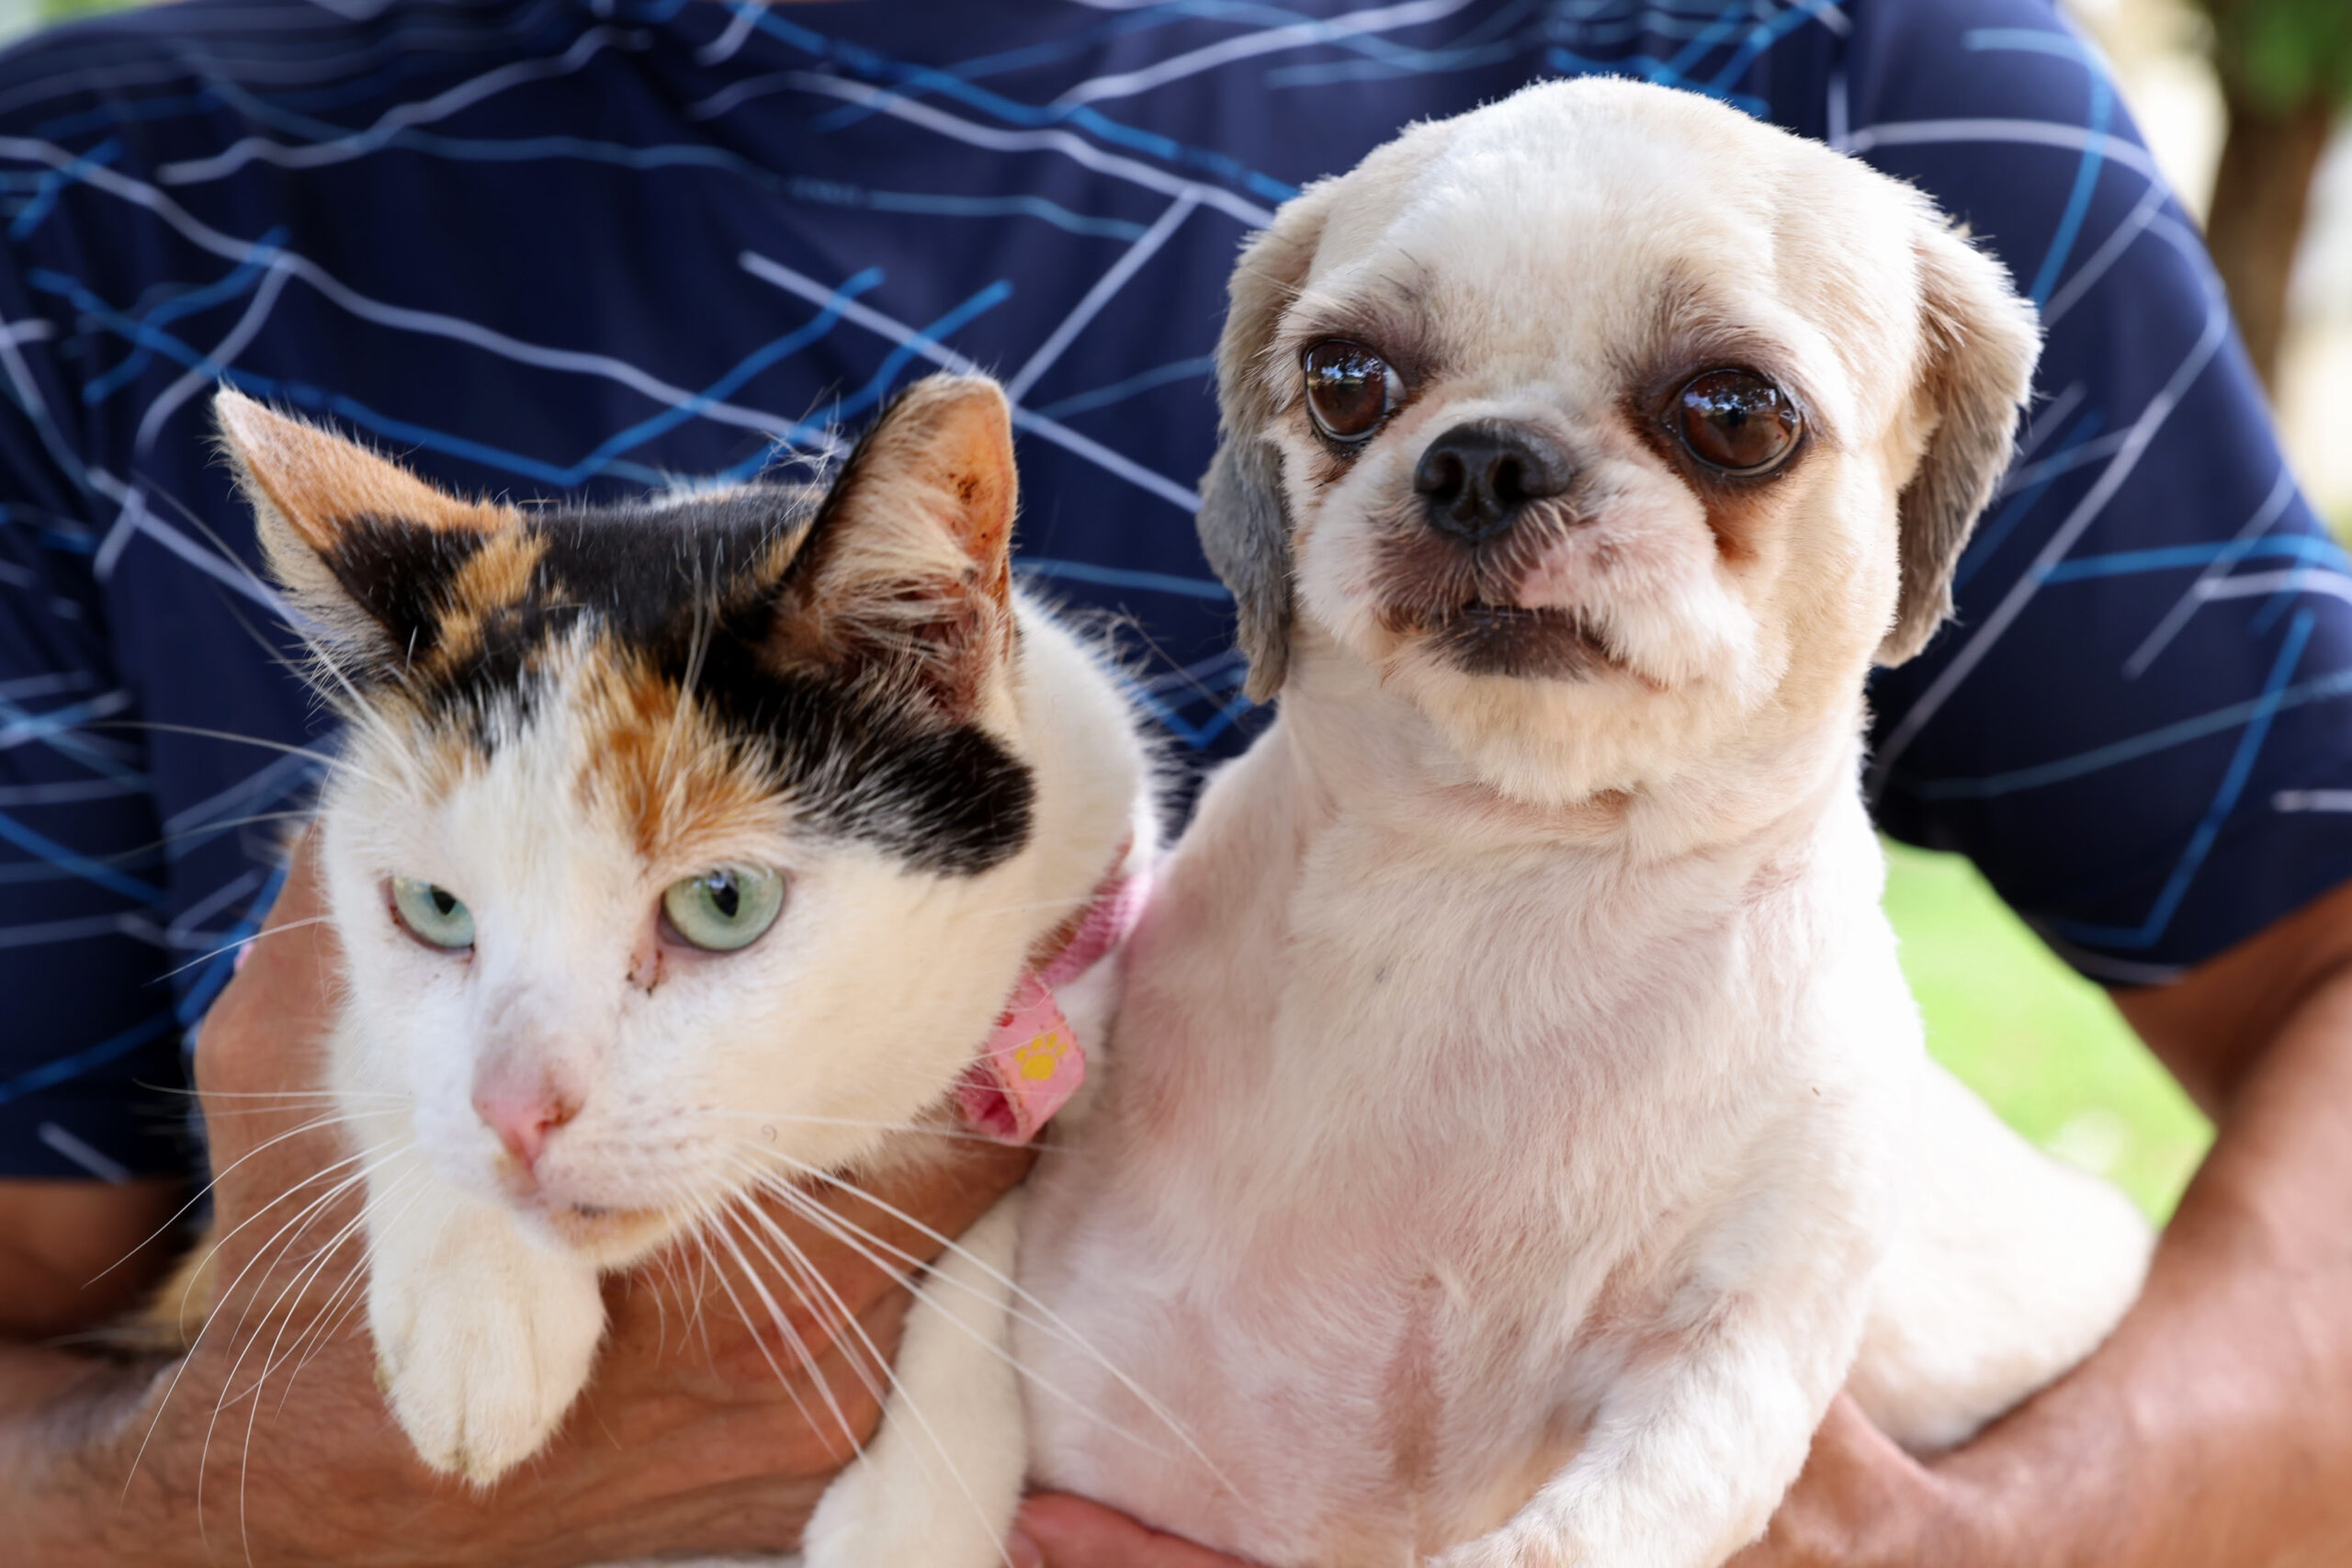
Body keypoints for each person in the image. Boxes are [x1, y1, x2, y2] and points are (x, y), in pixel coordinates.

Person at [1, 0, 2347, 1562]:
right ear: (1265, 439)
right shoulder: (79, 214)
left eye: (1718, 418)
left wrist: (2009, 1531)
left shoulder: (1842, 74)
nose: (1492, 475)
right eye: (1354, 394)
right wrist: (205, 1491)